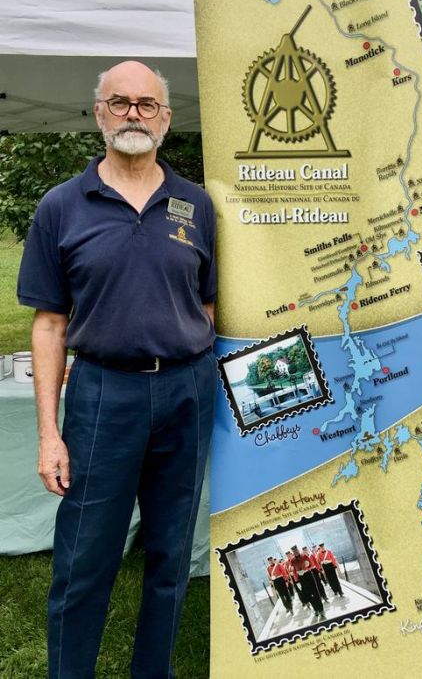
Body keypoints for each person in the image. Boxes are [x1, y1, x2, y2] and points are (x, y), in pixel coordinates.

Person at [17, 60, 218, 679]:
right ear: (99, 112)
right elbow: (49, 325)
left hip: (187, 390)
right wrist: (51, 434)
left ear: (167, 117)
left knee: (170, 557)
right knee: (84, 561)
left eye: (147, 104)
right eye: (121, 102)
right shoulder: (61, 206)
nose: (135, 114)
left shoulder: (195, 204)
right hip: (105, 392)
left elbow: (207, 305)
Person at [289, 545, 325, 620]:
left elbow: (311, 564)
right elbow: (294, 571)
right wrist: (297, 581)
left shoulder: (304, 556)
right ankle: (315, 610)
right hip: (301, 578)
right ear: (293, 552)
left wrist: (307, 566)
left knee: (315, 593)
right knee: (308, 595)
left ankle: (321, 610)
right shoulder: (292, 561)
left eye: (296, 550)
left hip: (309, 576)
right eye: (294, 551)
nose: (296, 552)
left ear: (298, 550)